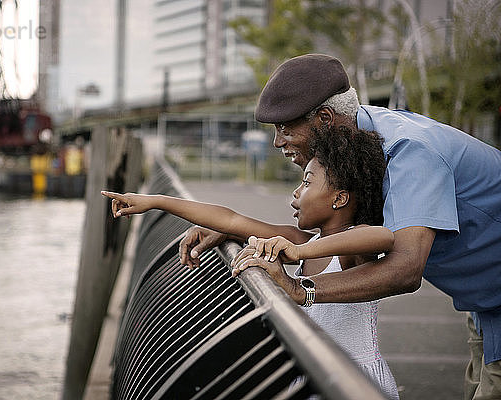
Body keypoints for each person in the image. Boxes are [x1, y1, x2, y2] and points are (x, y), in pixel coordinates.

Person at [179, 54, 501, 399]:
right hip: (485, 299)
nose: (277, 142)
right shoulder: (361, 142)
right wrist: (234, 231)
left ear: (325, 119)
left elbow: (405, 269)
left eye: (286, 128)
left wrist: (300, 289)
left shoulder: (409, 151)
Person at [103, 124, 400, 398]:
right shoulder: (302, 238)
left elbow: (382, 237)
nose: (296, 193)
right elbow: (230, 219)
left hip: (354, 380)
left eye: (307, 183)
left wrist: (300, 254)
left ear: (340, 198)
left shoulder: (347, 247)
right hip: (315, 371)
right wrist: (156, 201)